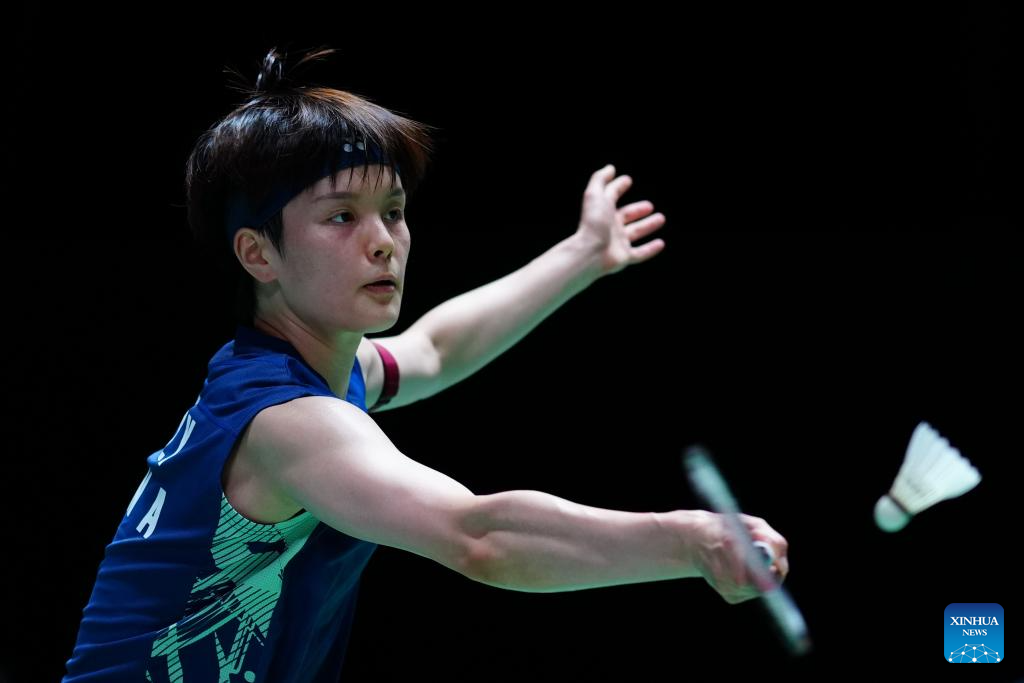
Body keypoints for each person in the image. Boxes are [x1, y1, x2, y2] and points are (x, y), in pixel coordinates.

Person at [64, 46, 790, 682]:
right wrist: (687, 542)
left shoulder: (308, 372)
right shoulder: (289, 423)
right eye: (342, 216)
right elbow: (480, 537)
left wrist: (582, 255)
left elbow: (435, 349)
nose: (384, 240)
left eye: (393, 210)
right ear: (258, 254)